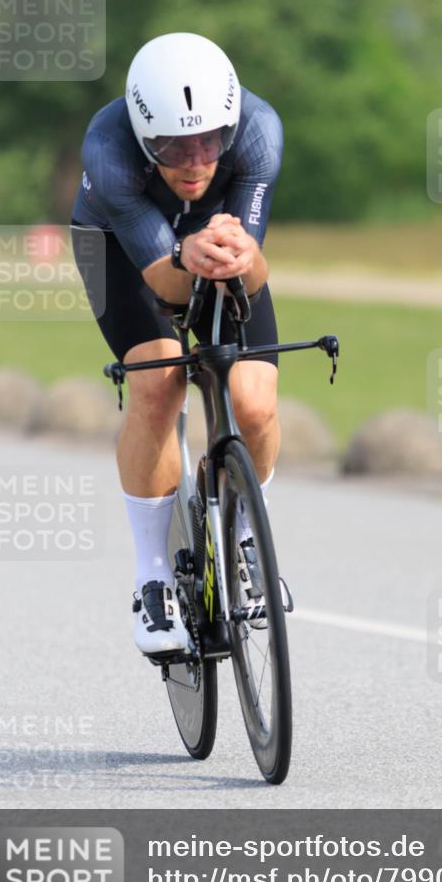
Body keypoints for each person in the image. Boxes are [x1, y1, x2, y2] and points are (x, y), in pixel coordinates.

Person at [71, 33, 283, 655]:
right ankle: (153, 576)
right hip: (118, 245)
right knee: (160, 379)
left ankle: (244, 537)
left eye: (209, 143)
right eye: (171, 147)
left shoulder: (259, 132)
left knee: (255, 403)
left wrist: (240, 254)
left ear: (229, 127)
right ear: (143, 137)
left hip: (211, 243)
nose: (194, 163)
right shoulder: (108, 149)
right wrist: (185, 254)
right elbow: (165, 285)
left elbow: (253, 273)